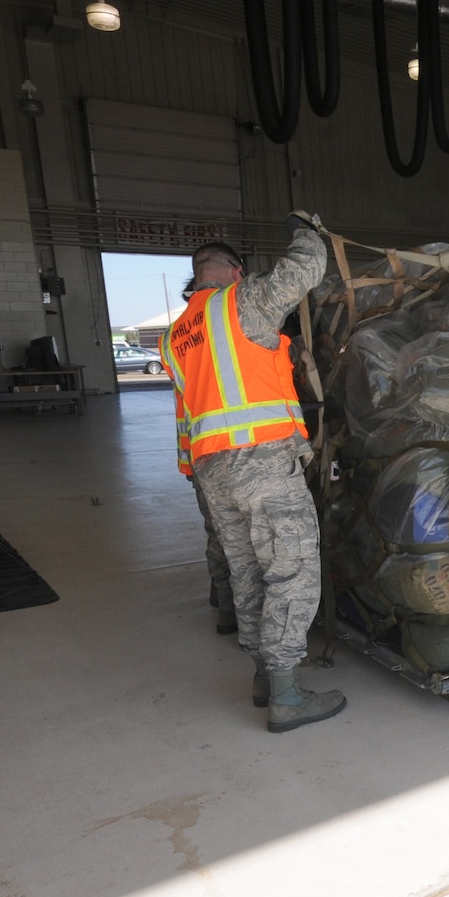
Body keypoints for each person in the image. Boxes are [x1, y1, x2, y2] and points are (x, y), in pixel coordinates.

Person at [164, 222, 345, 732]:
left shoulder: (175, 336)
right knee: (292, 570)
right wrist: (309, 229)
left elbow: (186, 412)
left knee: (246, 572)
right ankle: (287, 696)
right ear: (235, 271)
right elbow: (306, 266)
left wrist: (193, 472)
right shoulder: (242, 302)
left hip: (211, 472)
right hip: (263, 463)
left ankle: (264, 677)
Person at [166, 282, 236, 635]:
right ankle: (230, 608)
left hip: (196, 453)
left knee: (216, 532)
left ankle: (222, 601)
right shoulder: (224, 331)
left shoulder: (176, 335)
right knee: (237, 538)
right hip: (226, 451)